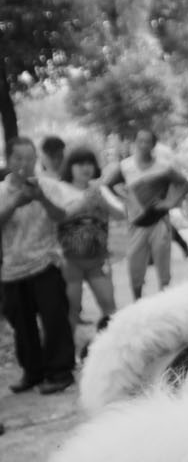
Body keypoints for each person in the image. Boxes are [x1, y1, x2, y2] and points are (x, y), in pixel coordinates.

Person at [0, 137, 78, 394]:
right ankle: (32, 373)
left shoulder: (49, 186)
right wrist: (15, 202)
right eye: (18, 158)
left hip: (46, 262)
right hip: (12, 268)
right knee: (22, 327)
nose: (25, 164)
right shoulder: (2, 191)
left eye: (30, 158)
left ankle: (60, 372)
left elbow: (62, 216)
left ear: (37, 159)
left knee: (55, 319)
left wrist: (41, 198)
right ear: (8, 160)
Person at [105, 129, 188, 301]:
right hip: (136, 223)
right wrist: (127, 199)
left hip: (160, 221)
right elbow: (109, 184)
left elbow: (185, 184)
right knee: (135, 266)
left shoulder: (164, 167)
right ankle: (138, 302)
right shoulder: (126, 166)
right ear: (135, 143)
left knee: (163, 267)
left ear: (154, 145)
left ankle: (164, 301)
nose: (143, 145)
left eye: (147, 141)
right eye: (140, 141)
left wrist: (170, 202)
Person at [57, 146, 123, 341]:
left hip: (98, 259)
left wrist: (103, 201)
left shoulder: (100, 189)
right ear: (70, 167)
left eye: (89, 163)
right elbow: (53, 219)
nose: (85, 168)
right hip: (69, 260)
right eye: (80, 164)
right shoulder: (60, 189)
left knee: (109, 305)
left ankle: (111, 345)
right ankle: (67, 352)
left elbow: (121, 214)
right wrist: (82, 204)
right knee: (72, 309)